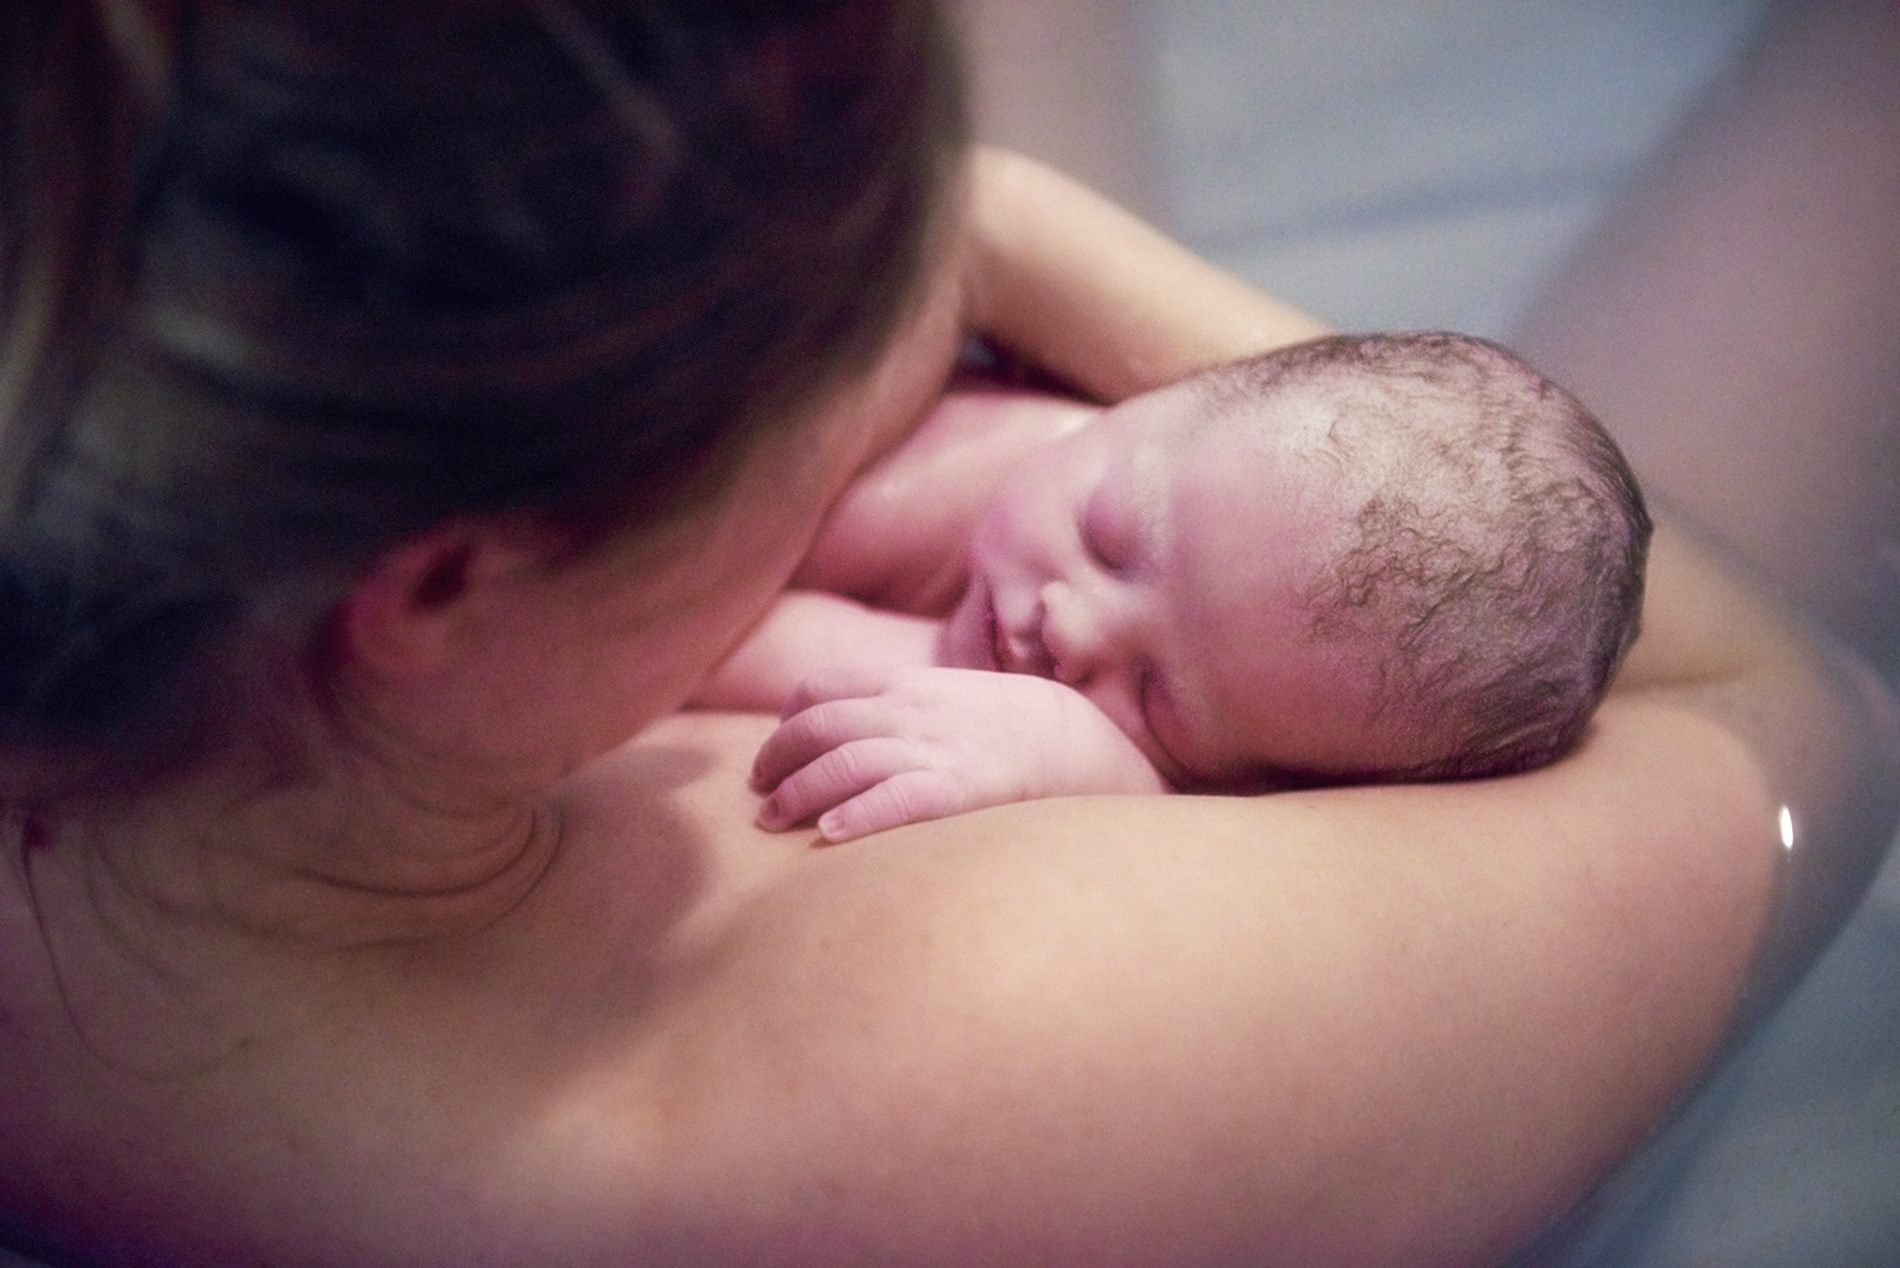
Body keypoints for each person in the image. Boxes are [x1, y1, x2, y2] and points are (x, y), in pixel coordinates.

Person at [0, 5, 1892, 1268]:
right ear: (445, 586)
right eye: (863, 326)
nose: (959, 323)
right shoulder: (936, 1075)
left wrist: (1207, 446)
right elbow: (1793, 717)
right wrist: (1010, 228)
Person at [697, 331, 1649, 843]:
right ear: (1146, 394)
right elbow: (711, 633)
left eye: (1160, 706)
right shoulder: (967, 431)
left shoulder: (1126, 771)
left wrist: (1094, 766)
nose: (1068, 631)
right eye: (1109, 541)